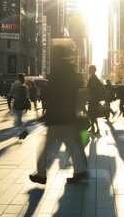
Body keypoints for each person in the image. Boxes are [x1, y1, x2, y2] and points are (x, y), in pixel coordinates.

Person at [29, 46, 88, 185]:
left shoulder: (56, 72)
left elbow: (52, 93)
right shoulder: (69, 69)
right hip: (68, 114)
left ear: (55, 55)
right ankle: (80, 171)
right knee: (73, 144)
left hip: (56, 115)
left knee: (48, 145)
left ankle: (41, 174)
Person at [9, 73, 30, 139]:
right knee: (19, 119)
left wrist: (9, 105)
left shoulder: (15, 84)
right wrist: (28, 106)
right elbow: (27, 96)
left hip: (17, 103)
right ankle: (22, 132)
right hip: (23, 104)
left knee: (18, 120)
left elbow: (10, 94)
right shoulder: (25, 86)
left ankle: (24, 132)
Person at [86, 65, 106, 134]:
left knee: (92, 113)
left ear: (92, 70)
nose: (88, 70)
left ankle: (95, 127)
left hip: (93, 99)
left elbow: (90, 88)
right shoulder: (94, 77)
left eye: (89, 69)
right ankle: (94, 127)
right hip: (94, 98)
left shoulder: (93, 78)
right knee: (92, 113)